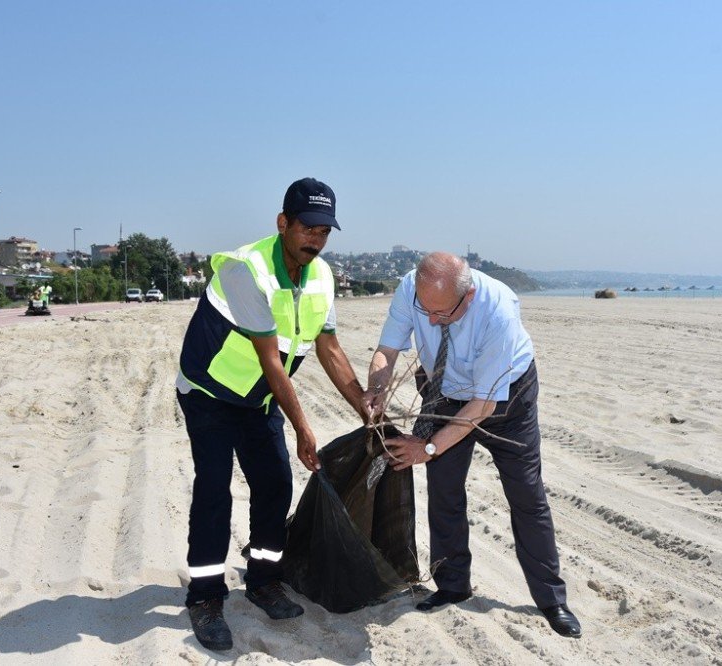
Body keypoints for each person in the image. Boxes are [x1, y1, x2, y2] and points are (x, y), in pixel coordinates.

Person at [175, 177, 369, 652]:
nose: (316, 240)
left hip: (258, 399)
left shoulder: (321, 276)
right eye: (308, 229)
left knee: (275, 483)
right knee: (215, 489)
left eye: (325, 232)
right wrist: (304, 428)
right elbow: (270, 359)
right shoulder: (248, 270)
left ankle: (263, 580)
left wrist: (366, 407)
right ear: (283, 223)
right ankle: (204, 596)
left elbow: (329, 348)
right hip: (210, 392)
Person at [365, 252, 582, 639]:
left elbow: (482, 405)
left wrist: (428, 448)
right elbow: (387, 350)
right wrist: (376, 389)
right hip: (443, 390)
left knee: (527, 496)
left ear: (467, 297)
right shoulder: (411, 289)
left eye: (442, 314)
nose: (430, 321)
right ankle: (452, 585)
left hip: (506, 399)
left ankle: (551, 599)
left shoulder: (497, 310)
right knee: (444, 490)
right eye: (424, 310)